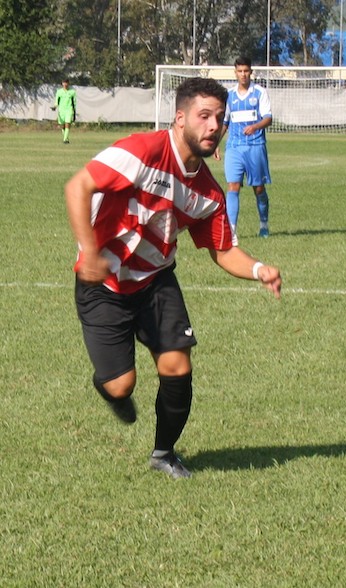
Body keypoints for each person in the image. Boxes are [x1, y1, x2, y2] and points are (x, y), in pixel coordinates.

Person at [65, 77, 282, 479]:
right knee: (120, 386)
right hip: (104, 284)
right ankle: (111, 386)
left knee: (178, 369)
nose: (215, 126)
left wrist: (257, 269)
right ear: (179, 119)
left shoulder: (209, 194)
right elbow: (78, 186)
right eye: (204, 116)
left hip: (155, 281)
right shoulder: (141, 151)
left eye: (220, 117)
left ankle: (164, 453)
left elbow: (223, 250)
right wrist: (90, 252)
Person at [217, 56, 273, 243]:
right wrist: (216, 143)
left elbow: (268, 118)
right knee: (232, 186)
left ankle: (264, 224)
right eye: (240, 71)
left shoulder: (259, 93)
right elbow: (225, 122)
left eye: (246, 71)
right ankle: (232, 231)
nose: (243, 74)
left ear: (250, 72)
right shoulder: (229, 96)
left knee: (258, 188)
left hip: (255, 146)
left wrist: (255, 127)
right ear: (235, 72)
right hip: (234, 147)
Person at [53, 79, 77, 144]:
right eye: (64, 83)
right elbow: (56, 102)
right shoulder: (59, 92)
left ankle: (65, 139)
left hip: (69, 110)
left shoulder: (72, 92)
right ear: (62, 84)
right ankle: (66, 138)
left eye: (66, 83)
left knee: (68, 123)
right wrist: (54, 107)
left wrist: (74, 111)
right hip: (61, 110)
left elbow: (74, 102)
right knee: (62, 126)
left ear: (68, 83)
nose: (65, 84)